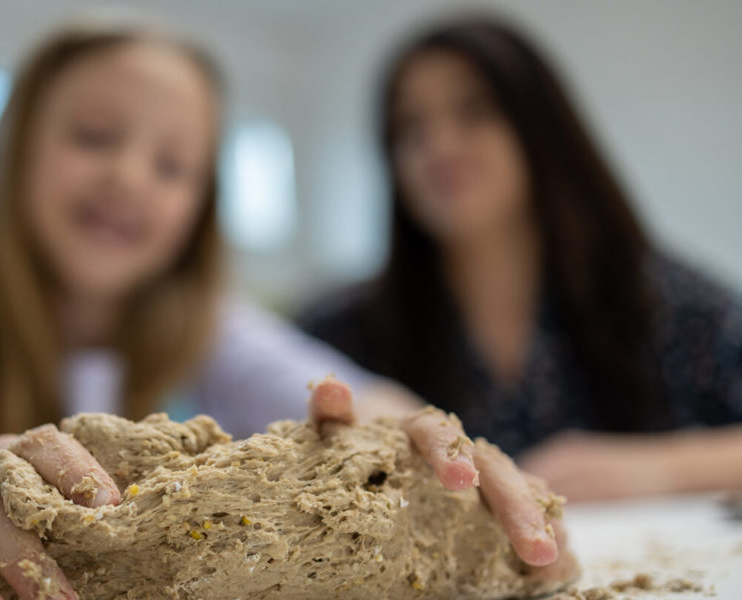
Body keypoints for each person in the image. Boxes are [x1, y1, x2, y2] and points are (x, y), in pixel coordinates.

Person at [0, 20, 571, 600]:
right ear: (14, 155)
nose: (131, 176)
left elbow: (345, 401)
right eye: (94, 136)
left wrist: (419, 435)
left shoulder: (210, 327)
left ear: (198, 212)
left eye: (173, 166)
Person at [300, 16, 742, 502]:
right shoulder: (340, 331)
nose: (439, 145)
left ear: (540, 128)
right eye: (410, 127)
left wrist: (659, 469)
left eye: (475, 111)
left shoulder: (665, 303)